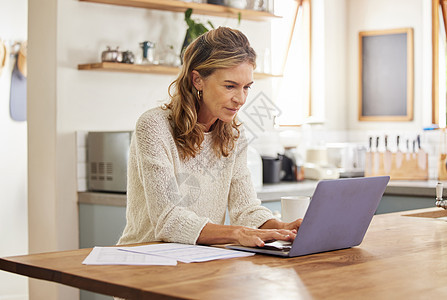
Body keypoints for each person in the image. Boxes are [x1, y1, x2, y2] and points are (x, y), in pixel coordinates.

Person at [117, 27, 302, 248]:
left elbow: (245, 209)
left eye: (246, 88)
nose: (241, 99)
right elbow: (168, 219)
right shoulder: (154, 127)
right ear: (197, 80)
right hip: (143, 257)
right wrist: (238, 234)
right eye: (230, 86)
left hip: (200, 261)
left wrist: (281, 228)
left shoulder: (234, 135)